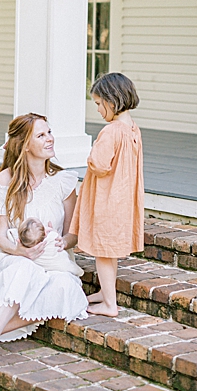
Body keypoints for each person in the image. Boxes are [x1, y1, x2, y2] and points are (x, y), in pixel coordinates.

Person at [0, 113, 89, 390]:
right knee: (25, 269)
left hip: (51, 259)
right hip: (9, 256)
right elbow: (0, 238)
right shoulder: (6, 180)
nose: (50, 138)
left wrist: (62, 243)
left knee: (67, 288)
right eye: (41, 135)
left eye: (50, 132)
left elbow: (74, 234)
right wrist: (21, 251)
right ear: (24, 144)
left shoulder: (63, 182)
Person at [70, 72, 145, 317]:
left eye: (99, 104)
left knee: (102, 252)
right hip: (122, 199)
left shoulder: (111, 132)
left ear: (113, 101)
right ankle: (105, 292)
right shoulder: (133, 129)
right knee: (109, 251)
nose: (98, 110)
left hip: (108, 200)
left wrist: (90, 156)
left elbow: (99, 165)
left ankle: (110, 305)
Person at [17, 217, 85, 276]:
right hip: (60, 266)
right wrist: (53, 232)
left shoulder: (26, 245)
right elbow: (54, 235)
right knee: (67, 265)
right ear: (46, 233)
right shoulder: (52, 237)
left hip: (38, 268)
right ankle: (77, 270)